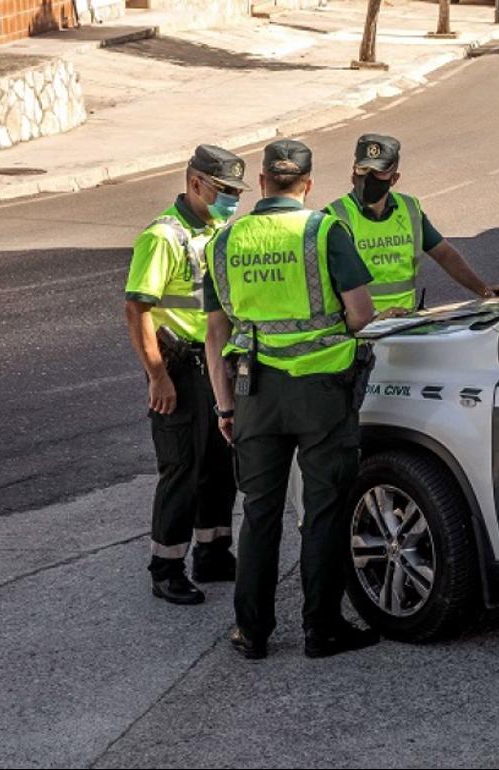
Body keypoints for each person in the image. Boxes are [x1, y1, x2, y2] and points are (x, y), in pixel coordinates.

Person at [204, 139, 381, 661]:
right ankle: (321, 629)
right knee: (323, 512)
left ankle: (252, 633)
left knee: (259, 514)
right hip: (322, 393)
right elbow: (362, 313)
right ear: (307, 184)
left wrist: (224, 407)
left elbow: (215, 334)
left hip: (252, 391)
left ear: (260, 183)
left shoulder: (224, 241)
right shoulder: (323, 230)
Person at [124, 145, 247, 605]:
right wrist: (158, 376)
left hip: (217, 363)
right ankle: (166, 566)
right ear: (195, 183)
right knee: (182, 469)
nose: (231, 199)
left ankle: (213, 552)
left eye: (236, 191)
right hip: (180, 368)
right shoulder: (164, 236)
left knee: (220, 466)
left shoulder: (220, 231)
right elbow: (137, 309)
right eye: (223, 190)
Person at [324, 134, 499, 314]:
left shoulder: (409, 210)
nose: (368, 178)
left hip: (404, 323)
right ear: (353, 172)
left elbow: (444, 254)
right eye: (363, 170)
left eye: (378, 172)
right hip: (357, 330)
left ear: (394, 179)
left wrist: (483, 290)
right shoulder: (333, 217)